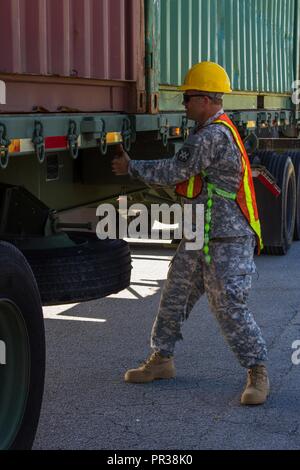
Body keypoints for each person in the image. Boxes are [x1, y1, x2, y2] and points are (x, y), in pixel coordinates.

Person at [112, 61, 269, 405]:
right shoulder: (209, 130)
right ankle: (162, 359)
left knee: (229, 304)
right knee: (174, 295)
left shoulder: (213, 135)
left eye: (188, 97)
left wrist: (130, 167)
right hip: (201, 232)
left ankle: (258, 371)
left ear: (208, 99)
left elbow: (174, 170)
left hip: (227, 237)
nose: (183, 103)